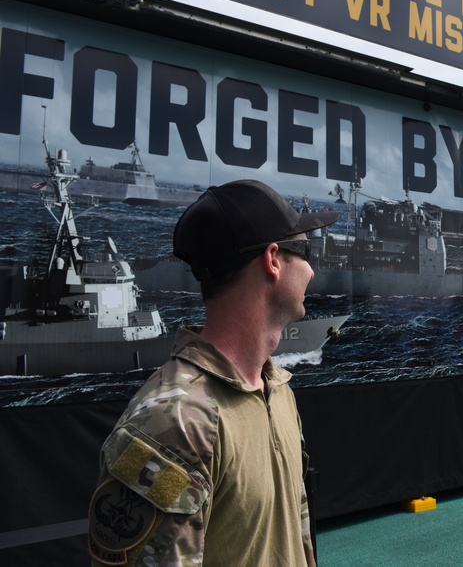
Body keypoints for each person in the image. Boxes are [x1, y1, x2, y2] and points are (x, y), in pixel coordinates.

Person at [88, 180, 336, 567]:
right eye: (304, 251)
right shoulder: (173, 421)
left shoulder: (277, 390)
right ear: (273, 259)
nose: (311, 270)